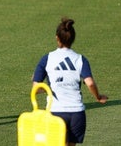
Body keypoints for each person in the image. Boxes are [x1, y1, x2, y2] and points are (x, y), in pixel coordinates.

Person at [32, 17, 108, 146]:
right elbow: (89, 83)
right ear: (73, 39)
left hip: (55, 111)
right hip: (76, 113)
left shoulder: (47, 59)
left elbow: (36, 88)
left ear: (57, 38)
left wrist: (50, 87)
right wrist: (98, 97)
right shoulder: (80, 59)